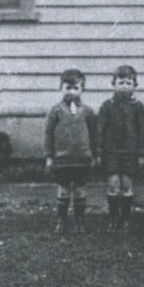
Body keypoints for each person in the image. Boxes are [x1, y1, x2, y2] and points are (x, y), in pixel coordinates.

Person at [43, 68, 99, 236]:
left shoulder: (88, 111)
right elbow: (48, 134)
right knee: (63, 190)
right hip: (62, 159)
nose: (72, 92)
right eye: (68, 87)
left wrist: (95, 154)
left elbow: (94, 134)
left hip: (82, 159)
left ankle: (80, 222)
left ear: (82, 89)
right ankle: (62, 221)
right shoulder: (56, 111)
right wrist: (49, 156)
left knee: (81, 191)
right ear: (61, 88)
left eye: (76, 88)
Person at [97, 64, 144, 235]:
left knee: (127, 186)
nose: (124, 86)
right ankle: (113, 219)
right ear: (114, 84)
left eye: (128, 83)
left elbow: (143, 132)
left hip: (130, 153)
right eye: (120, 82)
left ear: (135, 85)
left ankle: (126, 219)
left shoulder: (138, 107)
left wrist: (142, 154)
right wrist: (99, 151)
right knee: (113, 185)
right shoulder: (107, 106)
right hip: (111, 152)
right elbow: (100, 130)